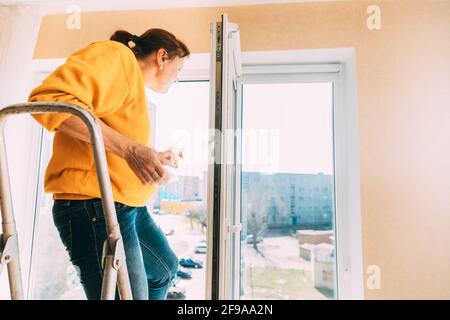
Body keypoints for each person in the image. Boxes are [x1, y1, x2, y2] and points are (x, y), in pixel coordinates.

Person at [28, 28, 190, 300]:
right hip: (93, 206)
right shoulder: (117, 56)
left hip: (128, 207)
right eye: (179, 67)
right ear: (162, 56)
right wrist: (131, 150)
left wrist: (151, 155)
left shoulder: (131, 86)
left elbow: (108, 142)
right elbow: (50, 102)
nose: (179, 76)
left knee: (164, 269)